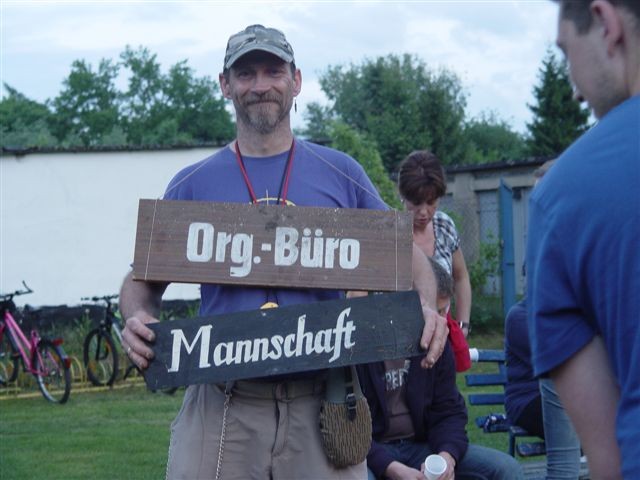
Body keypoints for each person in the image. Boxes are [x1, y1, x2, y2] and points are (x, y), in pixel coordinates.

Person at [119, 24, 447, 479]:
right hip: (223, 399)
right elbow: (141, 280)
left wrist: (427, 305)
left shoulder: (342, 173)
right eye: (246, 73)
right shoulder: (191, 184)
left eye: (273, 71)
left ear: (296, 81)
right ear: (225, 85)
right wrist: (137, 318)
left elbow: (408, 259)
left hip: (324, 397)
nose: (260, 85)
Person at [526, 1, 640, 478]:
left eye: (566, 51)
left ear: (606, 23)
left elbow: (606, 458)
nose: (574, 92)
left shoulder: (562, 199)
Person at [358, 258, 523, 480]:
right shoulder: (359, 342)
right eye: (435, 310)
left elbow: (449, 411)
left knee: (506, 468)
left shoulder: (438, 339)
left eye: (443, 310)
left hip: (422, 447)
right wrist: (390, 467)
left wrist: (447, 457)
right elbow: (348, 429)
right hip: (371, 452)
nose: (441, 319)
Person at [398, 150, 472, 372]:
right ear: (402, 195)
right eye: (415, 203)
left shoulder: (444, 226)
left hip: (443, 337)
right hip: (404, 345)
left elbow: (461, 277)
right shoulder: (391, 232)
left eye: (431, 202)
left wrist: (463, 324)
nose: (423, 212)